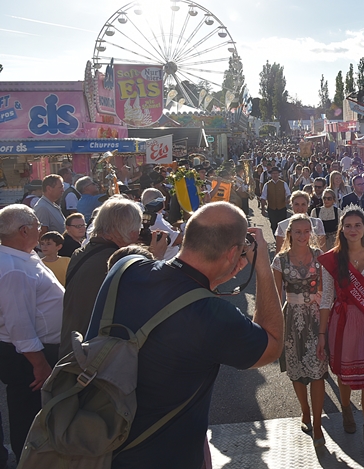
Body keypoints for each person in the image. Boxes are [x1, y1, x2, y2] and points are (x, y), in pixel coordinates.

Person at [85, 202, 283, 468]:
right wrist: (263, 267)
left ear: (188, 236)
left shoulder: (125, 268)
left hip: (94, 445)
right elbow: (272, 343)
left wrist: (212, 280)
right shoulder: (212, 314)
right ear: (233, 253)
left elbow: (172, 289)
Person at [317, 207, 364, 461]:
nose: (353, 230)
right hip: (344, 322)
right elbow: (327, 298)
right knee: (346, 373)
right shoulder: (332, 258)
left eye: (357, 225)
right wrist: (321, 334)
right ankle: (346, 407)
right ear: (342, 229)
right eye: (348, 226)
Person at [60, 196, 168, 358]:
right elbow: (148, 303)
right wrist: (156, 257)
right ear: (130, 231)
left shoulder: (81, 252)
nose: (138, 233)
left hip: (73, 351)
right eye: (137, 229)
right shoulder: (119, 263)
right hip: (96, 360)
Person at [0, 205, 64, 463]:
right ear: (24, 231)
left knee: (36, 413)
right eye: (37, 225)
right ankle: (30, 462)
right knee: (28, 416)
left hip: (33, 351)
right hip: (28, 357)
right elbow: (19, 323)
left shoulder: (21, 258)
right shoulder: (13, 267)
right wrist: (39, 364)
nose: (41, 230)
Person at [272, 214, 328, 447]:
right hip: (291, 318)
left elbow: (326, 291)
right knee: (296, 370)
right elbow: (275, 297)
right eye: (298, 231)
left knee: (317, 370)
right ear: (290, 234)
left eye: (307, 231)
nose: (303, 236)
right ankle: (305, 410)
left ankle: (318, 422)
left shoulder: (319, 256)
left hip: (316, 317)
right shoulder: (280, 260)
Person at [141, 188, 183, 260]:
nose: (164, 202)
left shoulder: (157, 216)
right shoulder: (155, 220)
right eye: (163, 199)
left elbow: (173, 229)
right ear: (157, 202)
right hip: (167, 260)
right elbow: (177, 239)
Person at [260, 167, 291, 235]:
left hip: (282, 208)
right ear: (271, 174)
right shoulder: (267, 185)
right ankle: (276, 237)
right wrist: (263, 209)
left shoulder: (284, 184)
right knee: (273, 225)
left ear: (279, 174)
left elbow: (288, 194)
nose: (275, 175)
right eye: (273, 173)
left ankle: (282, 238)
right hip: (272, 209)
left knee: (282, 225)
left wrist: (288, 199)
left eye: (276, 173)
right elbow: (263, 197)